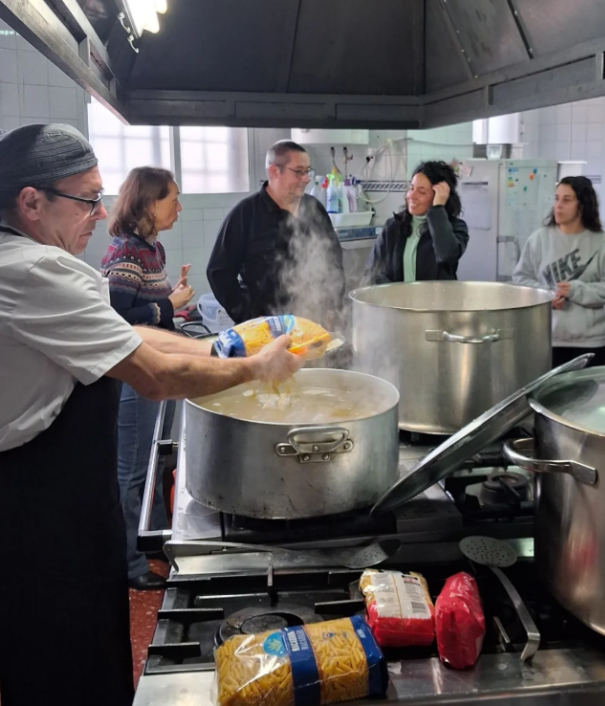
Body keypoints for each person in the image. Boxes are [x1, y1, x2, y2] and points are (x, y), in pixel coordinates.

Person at [0, 124, 303, 706]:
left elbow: (128, 335)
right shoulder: (35, 271)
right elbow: (154, 376)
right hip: (43, 522)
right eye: (87, 199)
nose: (101, 213)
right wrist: (255, 368)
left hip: (57, 510)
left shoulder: (34, 261)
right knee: (66, 671)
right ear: (31, 202)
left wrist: (223, 348)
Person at [101, 167, 193, 590]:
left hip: (155, 367)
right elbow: (118, 320)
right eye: (172, 199)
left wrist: (173, 301)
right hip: (134, 375)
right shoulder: (125, 252)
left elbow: (149, 309)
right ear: (150, 204)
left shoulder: (151, 248)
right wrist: (169, 306)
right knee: (133, 472)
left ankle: (154, 540)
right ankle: (130, 564)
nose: (179, 207)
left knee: (156, 461)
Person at [206, 140, 346, 329]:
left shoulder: (314, 209)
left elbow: (333, 259)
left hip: (313, 322)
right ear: (274, 171)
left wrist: (332, 305)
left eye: (308, 171)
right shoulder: (246, 213)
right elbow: (219, 272)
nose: (306, 179)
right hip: (265, 327)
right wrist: (249, 316)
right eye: (299, 172)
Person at [513, 176, 605, 368]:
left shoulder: (603, 243)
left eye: (567, 200)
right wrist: (546, 295)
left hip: (590, 342)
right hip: (546, 338)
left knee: (588, 389)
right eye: (557, 198)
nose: (558, 206)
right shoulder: (539, 239)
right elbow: (521, 279)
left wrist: (576, 290)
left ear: (583, 205)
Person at [364, 160, 468, 283]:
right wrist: (391, 291)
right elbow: (372, 271)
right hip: (395, 296)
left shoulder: (455, 227)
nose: (412, 196)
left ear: (438, 196)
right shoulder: (393, 227)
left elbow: (446, 255)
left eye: (422, 192)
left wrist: (437, 209)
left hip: (436, 296)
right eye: (411, 188)